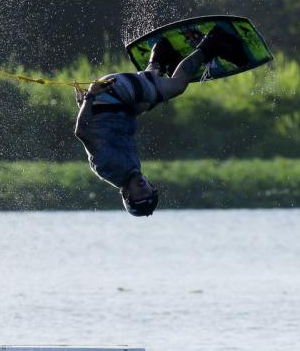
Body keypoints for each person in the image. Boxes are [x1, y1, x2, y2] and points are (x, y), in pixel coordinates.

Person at [74, 26, 249, 216]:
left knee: (177, 86)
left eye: (139, 195)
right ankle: (160, 55)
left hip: (113, 94)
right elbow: (103, 129)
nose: (144, 189)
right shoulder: (132, 172)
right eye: (148, 191)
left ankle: (212, 43)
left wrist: (90, 96)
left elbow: (82, 133)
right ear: (152, 187)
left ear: (126, 195)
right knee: (147, 102)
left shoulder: (111, 168)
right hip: (120, 105)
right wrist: (85, 105)